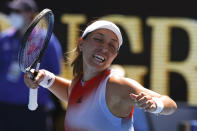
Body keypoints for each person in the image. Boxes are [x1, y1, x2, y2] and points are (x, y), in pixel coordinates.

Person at [24, 20, 177, 131]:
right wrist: (44, 78)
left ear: (114, 56)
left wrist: (156, 105)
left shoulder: (116, 86)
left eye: (112, 45)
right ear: (81, 43)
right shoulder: (79, 82)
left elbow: (171, 105)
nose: (104, 48)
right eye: (98, 39)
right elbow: (72, 95)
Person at [0, 0, 62, 131]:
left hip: (35, 109)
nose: (13, 15)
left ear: (31, 14)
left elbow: (55, 72)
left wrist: (38, 80)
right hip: (5, 107)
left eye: (18, 12)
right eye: (12, 12)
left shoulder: (47, 40)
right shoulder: (4, 37)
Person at [110, 64, 150, 131]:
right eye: (112, 81)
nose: (116, 85)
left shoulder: (135, 105)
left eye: (119, 82)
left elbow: (142, 129)